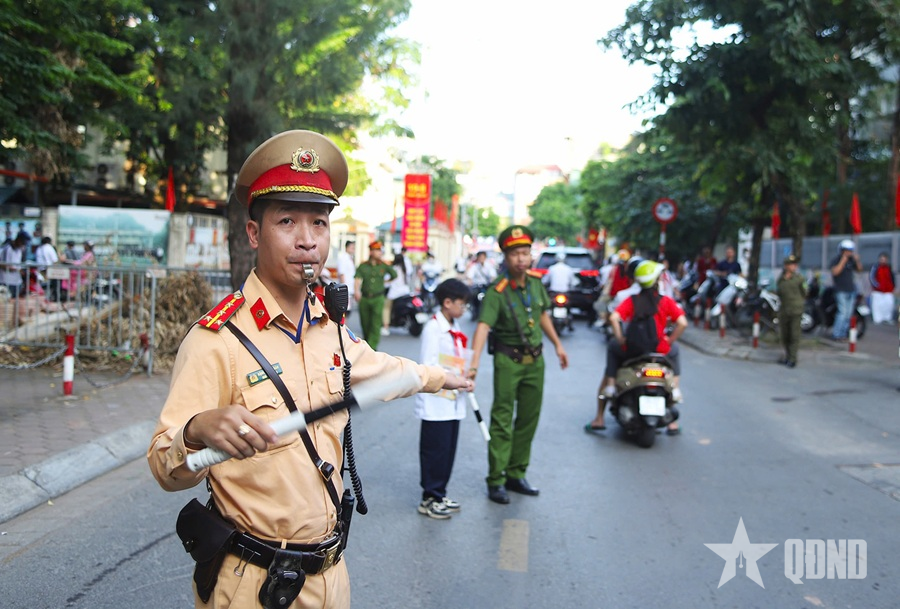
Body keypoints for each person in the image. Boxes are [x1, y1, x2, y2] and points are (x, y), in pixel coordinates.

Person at [147, 129, 472, 609]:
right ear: (254, 233)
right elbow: (165, 467)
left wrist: (442, 377)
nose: (307, 241)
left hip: (330, 578)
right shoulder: (217, 340)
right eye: (287, 221)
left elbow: (385, 370)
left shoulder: (329, 330)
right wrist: (197, 430)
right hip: (251, 585)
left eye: (319, 223)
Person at [467, 225, 568, 505]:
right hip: (508, 361)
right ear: (506, 257)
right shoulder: (497, 291)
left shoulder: (535, 283)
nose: (521, 259)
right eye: (515, 254)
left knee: (528, 419)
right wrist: (473, 364)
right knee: (502, 420)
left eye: (525, 253)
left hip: (535, 362)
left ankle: (516, 473)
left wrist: (558, 345)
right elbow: (483, 326)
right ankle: (496, 479)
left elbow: (543, 315)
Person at [589, 260, 688, 435]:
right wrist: (670, 340)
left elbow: (614, 318)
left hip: (632, 350)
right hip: (659, 351)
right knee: (675, 351)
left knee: (612, 347)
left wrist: (621, 339)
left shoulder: (630, 299)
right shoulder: (665, 301)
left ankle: (601, 411)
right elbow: (682, 323)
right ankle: (674, 391)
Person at [415, 278, 472, 519]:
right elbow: (428, 366)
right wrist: (454, 379)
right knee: (435, 452)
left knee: (448, 451)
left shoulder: (453, 325)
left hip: (452, 401)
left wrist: (464, 377)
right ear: (447, 303)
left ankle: (440, 493)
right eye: (462, 304)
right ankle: (429, 498)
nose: (464, 308)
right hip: (436, 402)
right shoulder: (433, 329)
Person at [354, 240, 395, 350]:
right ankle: (368, 345)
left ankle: (372, 348)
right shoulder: (363, 266)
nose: (380, 252)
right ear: (371, 251)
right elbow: (357, 278)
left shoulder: (384, 265)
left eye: (380, 250)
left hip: (378, 298)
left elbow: (394, 275)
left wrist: (385, 282)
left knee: (376, 324)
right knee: (365, 323)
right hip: (365, 298)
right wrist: (357, 291)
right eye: (377, 250)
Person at [776, 254, 807, 368]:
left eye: (795, 264)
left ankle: (792, 358)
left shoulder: (799, 278)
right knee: (785, 335)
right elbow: (779, 292)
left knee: (794, 334)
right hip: (784, 309)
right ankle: (787, 355)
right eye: (791, 264)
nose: (794, 266)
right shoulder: (781, 278)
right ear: (786, 266)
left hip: (795, 310)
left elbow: (804, 292)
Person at [829, 239, 863, 340]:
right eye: (847, 250)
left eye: (851, 251)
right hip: (840, 290)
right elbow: (835, 272)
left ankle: (843, 334)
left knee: (848, 314)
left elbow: (859, 270)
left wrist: (857, 260)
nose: (849, 253)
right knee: (842, 313)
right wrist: (843, 261)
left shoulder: (852, 260)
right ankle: (836, 334)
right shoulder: (836, 260)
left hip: (851, 290)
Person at [383, 251, 410, 336]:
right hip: (405, 291)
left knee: (386, 308)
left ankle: (386, 327)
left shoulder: (394, 269)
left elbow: (387, 281)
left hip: (394, 293)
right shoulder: (406, 269)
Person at [869, 252, 896, 324]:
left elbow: (892, 278)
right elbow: (872, 277)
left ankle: (887, 318)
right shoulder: (875, 267)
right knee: (877, 306)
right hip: (878, 291)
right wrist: (877, 286)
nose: (883, 261)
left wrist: (892, 286)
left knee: (888, 305)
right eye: (881, 259)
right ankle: (877, 319)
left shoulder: (889, 268)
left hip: (888, 290)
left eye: (884, 259)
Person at [335, 240, 356, 313]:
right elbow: (342, 274)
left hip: (350, 289)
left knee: (348, 311)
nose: (353, 249)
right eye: (352, 247)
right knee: (344, 311)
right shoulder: (343, 258)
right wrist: (343, 290)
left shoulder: (350, 258)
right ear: (347, 248)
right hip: (345, 290)